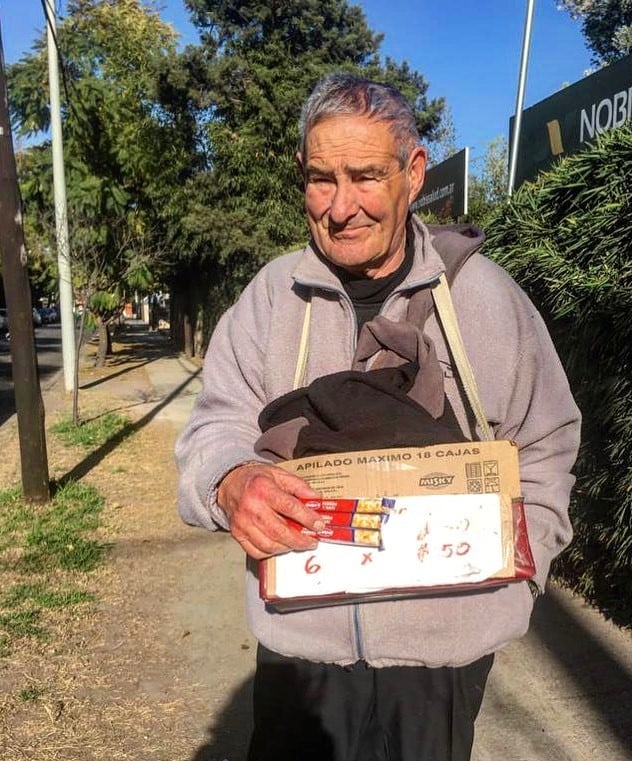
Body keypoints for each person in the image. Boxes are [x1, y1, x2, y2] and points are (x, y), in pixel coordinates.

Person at [175, 72, 581, 761]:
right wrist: (229, 482)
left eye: (364, 176)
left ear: (413, 173)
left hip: (441, 665)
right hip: (299, 654)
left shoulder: (486, 298)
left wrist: (520, 575)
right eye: (320, 179)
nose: (340, 206)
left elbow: (546, 444)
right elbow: (213, 426)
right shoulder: (271, 297)